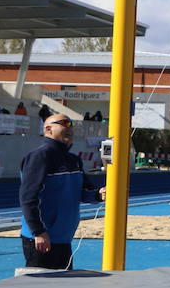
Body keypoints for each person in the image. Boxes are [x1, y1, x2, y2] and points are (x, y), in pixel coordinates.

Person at [18, 113, 105, 270]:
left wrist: (98, 194)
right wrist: (38, 231)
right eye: (64, 123)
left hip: (63, 239)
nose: (69, 128)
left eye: (71, 125)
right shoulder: (40, 156)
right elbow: (28, 197)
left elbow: (83, 192)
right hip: (42, 239)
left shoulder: (74, 160)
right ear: (48, 129)